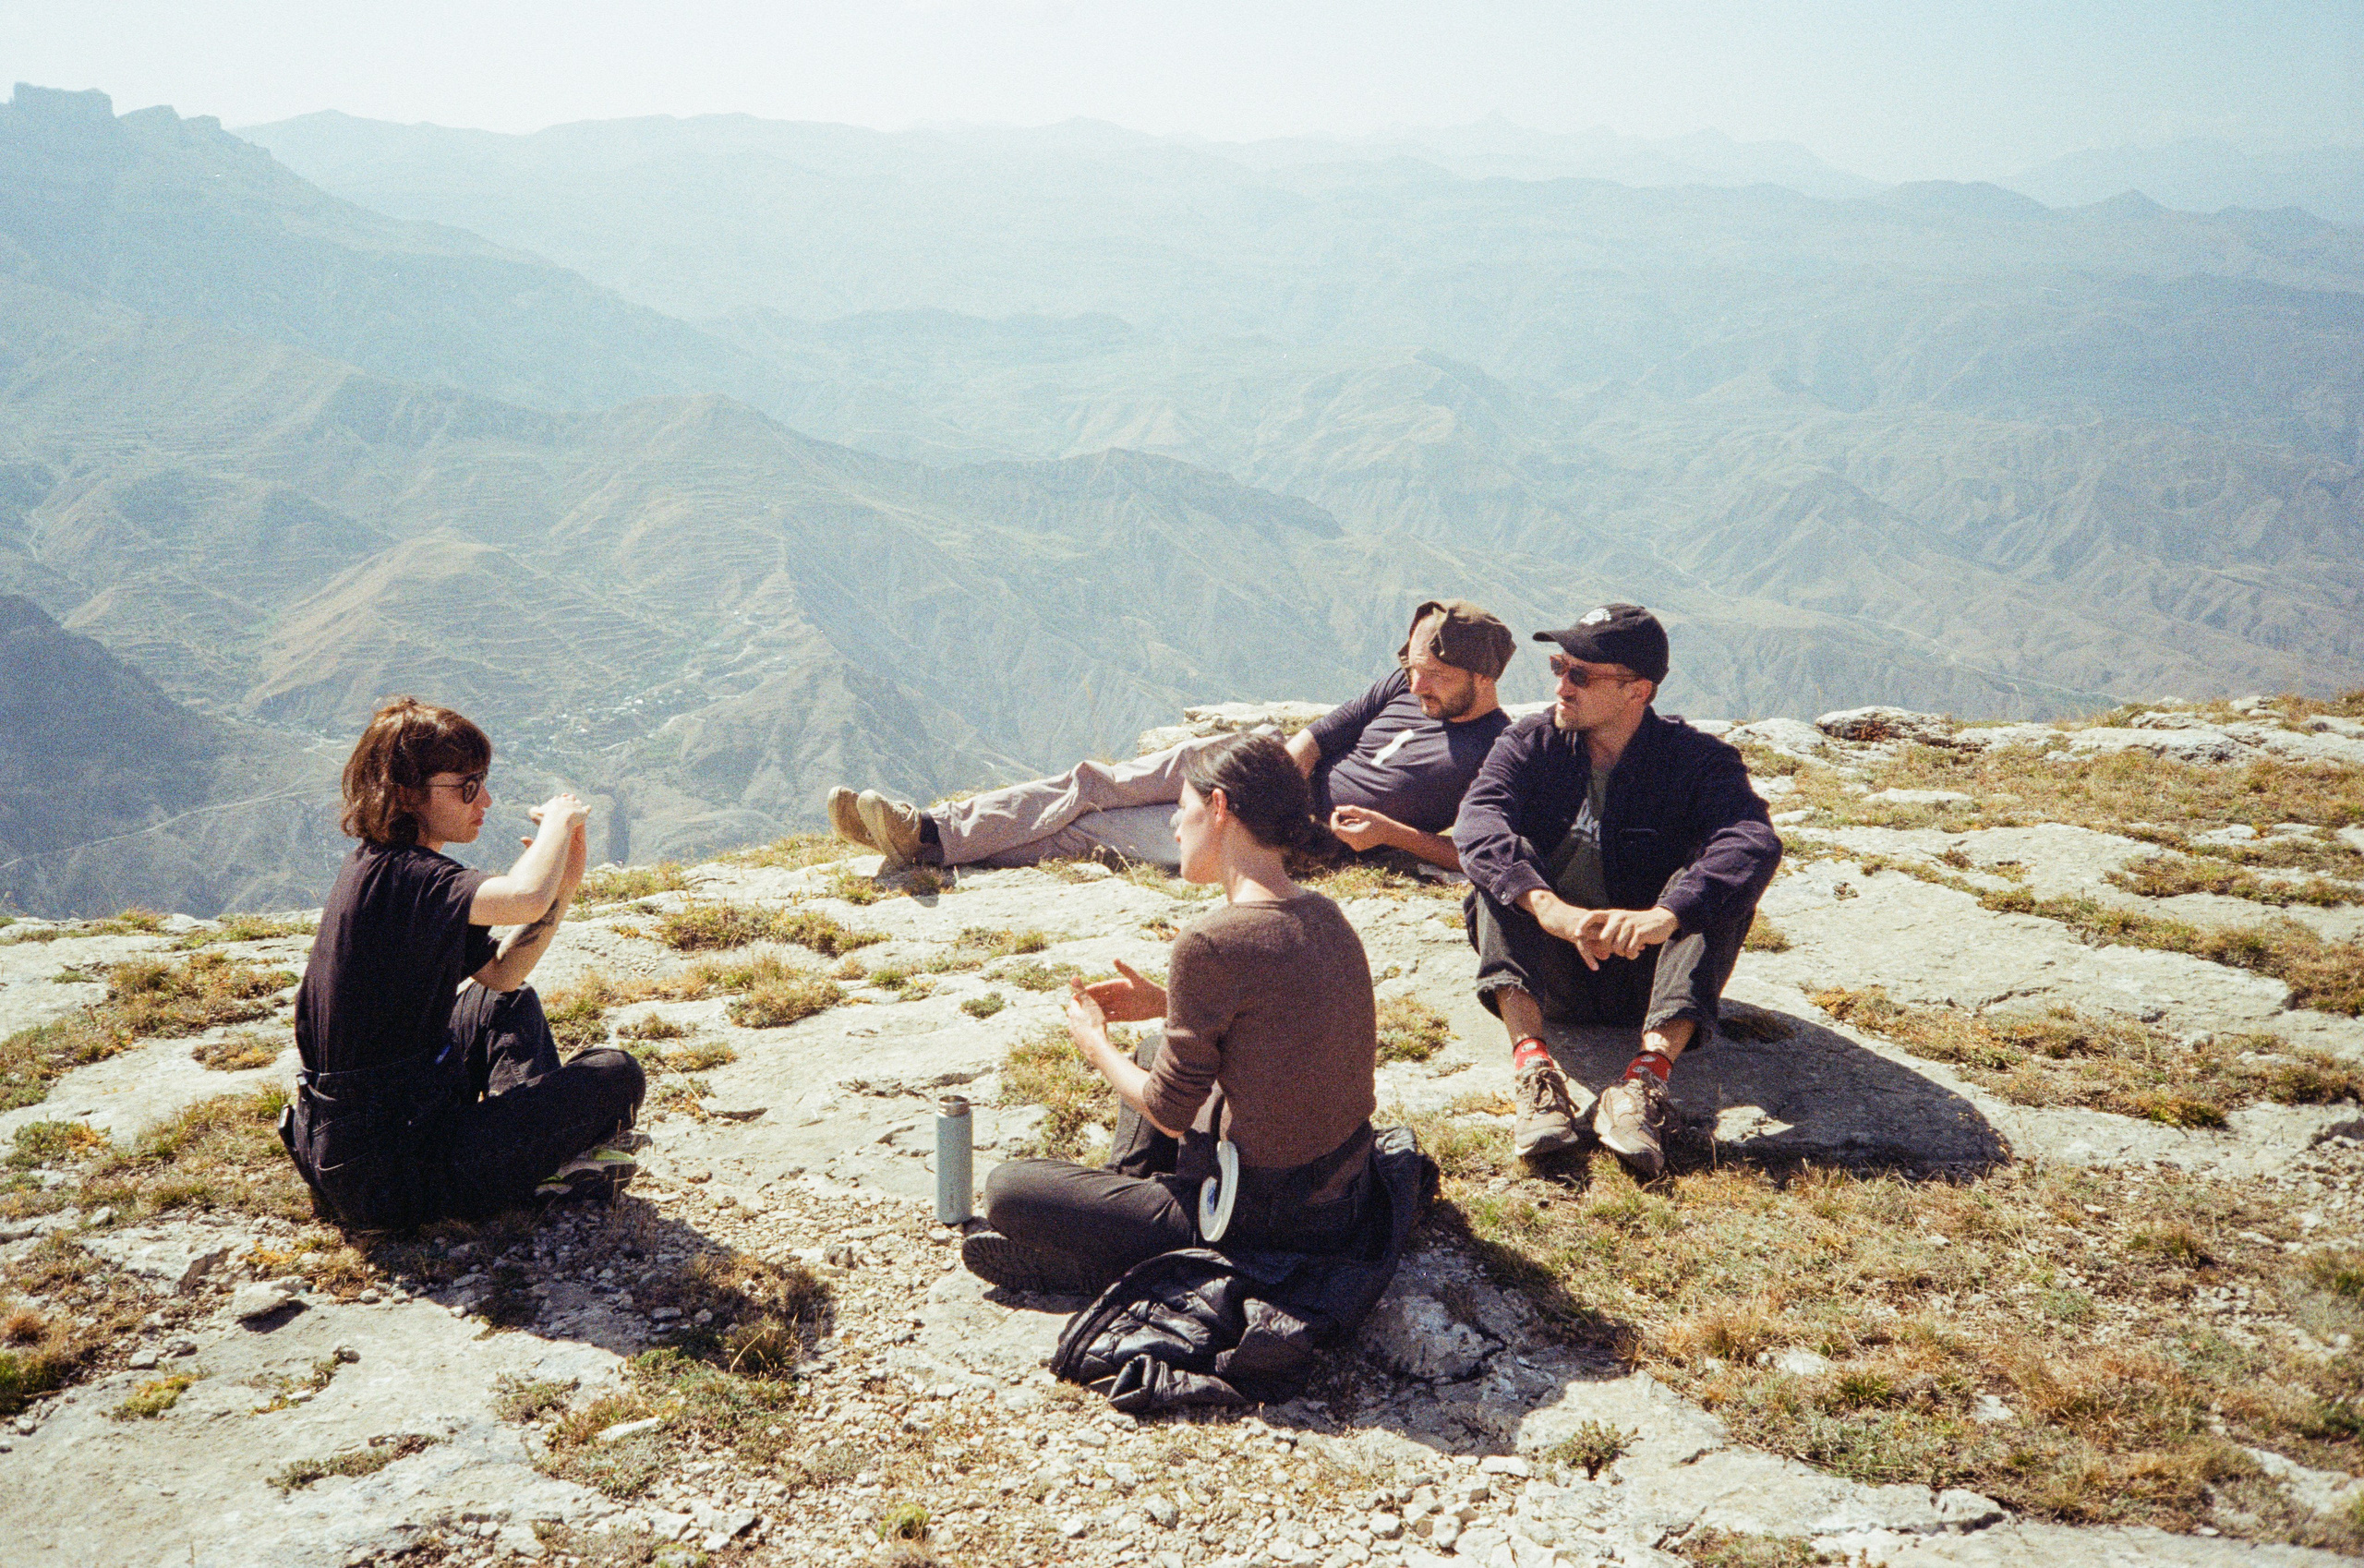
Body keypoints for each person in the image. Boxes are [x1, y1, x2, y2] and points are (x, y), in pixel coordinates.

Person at [959, 731, 1382, 1294]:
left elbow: (1167, 1112)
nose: (1174, 826)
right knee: (1158, 1048)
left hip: (1252, 1216)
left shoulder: (1211, 941)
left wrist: (1096, 1043)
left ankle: (1102, 1255)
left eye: (1183, 809)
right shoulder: (1326, 914)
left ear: (1220, 808)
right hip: (1340, 1196)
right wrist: (1167, 1004)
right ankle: (1119, 1208)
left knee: (1009, 1189)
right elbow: (1285, 1018)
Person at [283, 697, 646, 1229]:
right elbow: (522, 896)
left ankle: (533, 1157)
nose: (486, 799)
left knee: (504, 1004)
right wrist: (559, 822)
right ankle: (539, 1163)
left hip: (365, 1140)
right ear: (407, 793)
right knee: (617, 1074)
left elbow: (502, 975)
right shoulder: (409, 878)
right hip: (389, 1171)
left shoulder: (389, 868)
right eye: (467, 786)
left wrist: (563, 886)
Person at [828, 599, 1516, 873]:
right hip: (1275, 782)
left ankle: (930, 848)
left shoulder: (1498, 752)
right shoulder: (1403, 686)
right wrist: (1282, 765)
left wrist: (1389, 835)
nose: (1415, 685)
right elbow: (1325, 731)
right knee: (1095, 785)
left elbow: (1474, 854)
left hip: (1298, 838)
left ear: (1478, 677)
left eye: (1432, 677)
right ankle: (926, 828)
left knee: (1094, 829)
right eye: (1413, 669)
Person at [1452, 605, 1780, 1176]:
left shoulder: (1698, 762)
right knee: (1503, 874)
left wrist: (1665, 915)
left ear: (1638, 691)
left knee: (1711, 891)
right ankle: (1535, 1072)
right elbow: (1478, 822)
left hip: (1648, 977)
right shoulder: (1528, 743)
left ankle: (1643, 1085)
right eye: (1559, 666)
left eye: (1581, 674)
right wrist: (1549, 907)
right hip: (1549, 973)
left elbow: (1752, 840)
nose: (1561, 686)